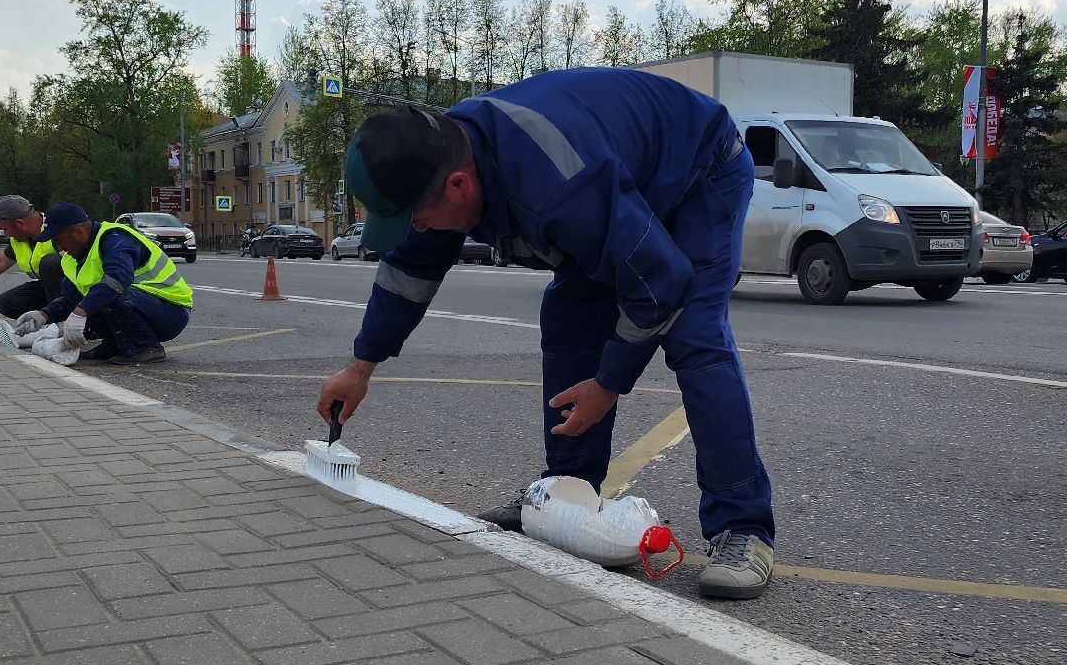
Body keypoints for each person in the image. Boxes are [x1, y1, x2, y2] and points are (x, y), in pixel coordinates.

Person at [315, 68, 777, 600]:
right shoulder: (443, 159)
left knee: (696, 338)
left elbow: (659, 281)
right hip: (617, 190)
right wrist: (359, 367)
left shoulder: (559, 183)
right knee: (568, 318)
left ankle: (743, 526)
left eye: (417, 218)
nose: (418, 230)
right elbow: (407, 274)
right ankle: (566, 493)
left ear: (459, 186)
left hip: (699, 172)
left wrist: (607, 384)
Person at [13, 202, 192, 365]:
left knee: (111, 295)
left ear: (78, 232)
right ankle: (116, 344)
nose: (59, 247)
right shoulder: (74, 258)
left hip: (171, 312)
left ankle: (146, 347)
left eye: (58, 240)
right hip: (146, 306)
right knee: (85, 294)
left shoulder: (115, 238)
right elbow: (69, 297)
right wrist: (43, 315)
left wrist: (80, 312)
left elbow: (117, 279)